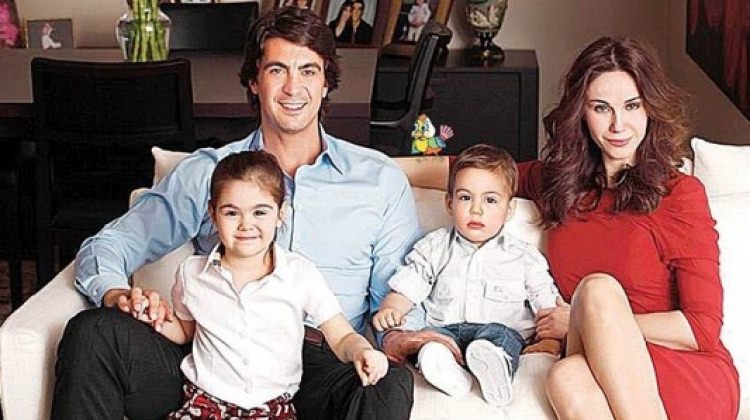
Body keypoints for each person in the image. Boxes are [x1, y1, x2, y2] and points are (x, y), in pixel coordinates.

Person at [52, 7, 421, 420]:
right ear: (254, 81)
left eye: (308, 70)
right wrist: (116, 295)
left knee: (388, 382)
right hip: (212, 365)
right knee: (94, 330)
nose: (293, 87)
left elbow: (397, 295)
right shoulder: (210, 173)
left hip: (322, 364)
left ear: (326, 82)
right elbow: (110, 245)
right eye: (277, 70)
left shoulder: (379, 180)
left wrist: (399, 341)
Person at [520, 37, 739, 419]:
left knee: (598, 292)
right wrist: (397, 169)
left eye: (632, 106)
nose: (618, 125)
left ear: (650, 107)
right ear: (581, 112)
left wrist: (583, 320)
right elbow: (474, 172)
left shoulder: (679, 194)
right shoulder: (559, 184)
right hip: (597, 369)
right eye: (601, 108)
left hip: (683, 370)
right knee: (566, 376)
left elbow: (701, 329)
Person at [156, 150, 388, 418]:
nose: (246, 225)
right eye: (231, 213)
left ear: (281, 214)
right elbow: (185, 331)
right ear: (213, 213)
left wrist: (362, 351)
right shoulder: (191, 273)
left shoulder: (299, 274)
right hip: (205, 405)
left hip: (272, 409)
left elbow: (342, 336)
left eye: (260, 212)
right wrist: (156, 318)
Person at [372, 144, 561, 407]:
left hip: (497, 333)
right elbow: (409, 285)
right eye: (465, 198)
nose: (476, 210)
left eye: (490, 200)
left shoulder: (524, 257)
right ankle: (449, 374)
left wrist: (550, 341)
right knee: (430, 345)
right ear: (449, 203)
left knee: (500, 339)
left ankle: (497, 371)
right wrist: (391, 309)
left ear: (509, 210)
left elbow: (547, 305)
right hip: (445, 333)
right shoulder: (434, 247)